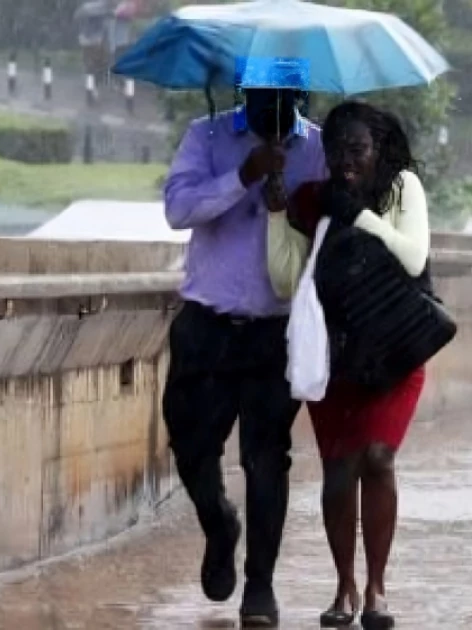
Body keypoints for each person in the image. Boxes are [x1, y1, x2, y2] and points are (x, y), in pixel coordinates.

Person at [161, 86, 327, 627]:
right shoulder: (205, 136)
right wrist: (243, 175)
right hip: (206, 325)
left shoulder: (320, 150)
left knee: (265, 458)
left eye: (286, 93)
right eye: (262, 93)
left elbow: (332, 228)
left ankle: (260, 585)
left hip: (274, 333)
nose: (273, 103)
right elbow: (178, 210)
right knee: (191, 449)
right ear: (243, 89)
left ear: (302, 93)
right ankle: (218, 524)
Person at [269, 101, 430, 630]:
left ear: (378, 149)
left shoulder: (402, 188)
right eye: (336, 151)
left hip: (393, 351)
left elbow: (412, 257)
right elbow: (285, 281)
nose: (345, 162)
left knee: (378, 458)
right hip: (334, 355)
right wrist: (277, 216)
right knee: (340, 470)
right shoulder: (311, 200)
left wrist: (357, 215)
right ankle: (343, 587)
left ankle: (377, 588)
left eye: (357, 150)